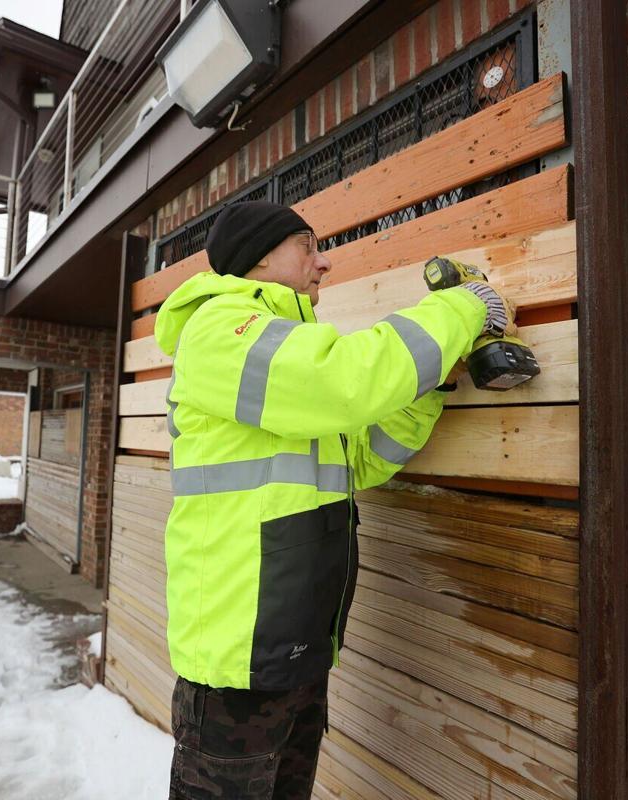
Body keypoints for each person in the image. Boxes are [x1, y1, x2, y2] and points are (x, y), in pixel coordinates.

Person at [154, 201, 512, 799]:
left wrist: (433, 383)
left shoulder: (288, 356)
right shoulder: (219, 333)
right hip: (236, 663)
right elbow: (345, 382)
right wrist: (464, 305)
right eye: (308, 246)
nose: (325, 262)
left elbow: (365, 457)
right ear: (259, 258)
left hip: (294, 647)